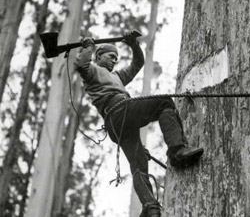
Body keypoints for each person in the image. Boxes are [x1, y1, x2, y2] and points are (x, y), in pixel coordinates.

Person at [75, 30, 204, 217]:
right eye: (111, 56)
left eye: (116, 59)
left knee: (139, 164)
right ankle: (177, 150)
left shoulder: (118, 77)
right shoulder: (93, 71)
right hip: (119, 111)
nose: (113, 61)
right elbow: (81, 64)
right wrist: (88, 47)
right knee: (164, 102)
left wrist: (134, 45)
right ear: (99, 56)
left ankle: (150, 207)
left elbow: (138, 64)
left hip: (118, 124)